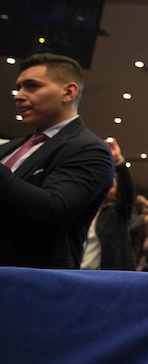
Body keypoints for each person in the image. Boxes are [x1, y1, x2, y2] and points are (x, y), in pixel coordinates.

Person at [1, 53, 114, 268]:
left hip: (30, 283)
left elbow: (51, 211)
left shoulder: (89, 149)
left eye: (32, 86)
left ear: (68, 92)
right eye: (19, 87)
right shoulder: (10, 148)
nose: (18, 95)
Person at [80, 138, 137, 271]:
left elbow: (128, 192)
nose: (106, 187)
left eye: (111, 184)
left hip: (106, 276)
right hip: (77, 274)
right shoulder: (83, 212)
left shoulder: (117, 214)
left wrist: (118, 162)